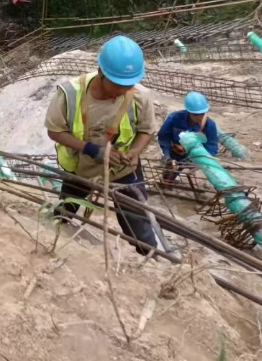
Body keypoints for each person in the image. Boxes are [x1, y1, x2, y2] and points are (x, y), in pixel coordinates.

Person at [45, 35, 158, 254]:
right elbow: (55, 131)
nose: (123, 91)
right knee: (65, 209)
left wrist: (135, 152)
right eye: (117, 85)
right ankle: (54, 241)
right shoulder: (70, 94)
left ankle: (149, 258)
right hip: (81, 167)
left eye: (128, 84)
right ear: (100, 72)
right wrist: (91, 149)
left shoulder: (139, 96)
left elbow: (147, 130)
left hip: (122, 168)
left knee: (139, 223)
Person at [157, 91, 218, 182]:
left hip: (197, 156)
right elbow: (163, 137)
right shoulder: (174, 118)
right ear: (188, 111)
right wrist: (167, 156)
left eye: (202, 114)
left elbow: (212, 147)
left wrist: (199, 160)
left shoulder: (209, 125)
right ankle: (168, 181)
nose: (199, 117)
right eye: (195, 115)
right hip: (176, 152)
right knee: (168, 177)